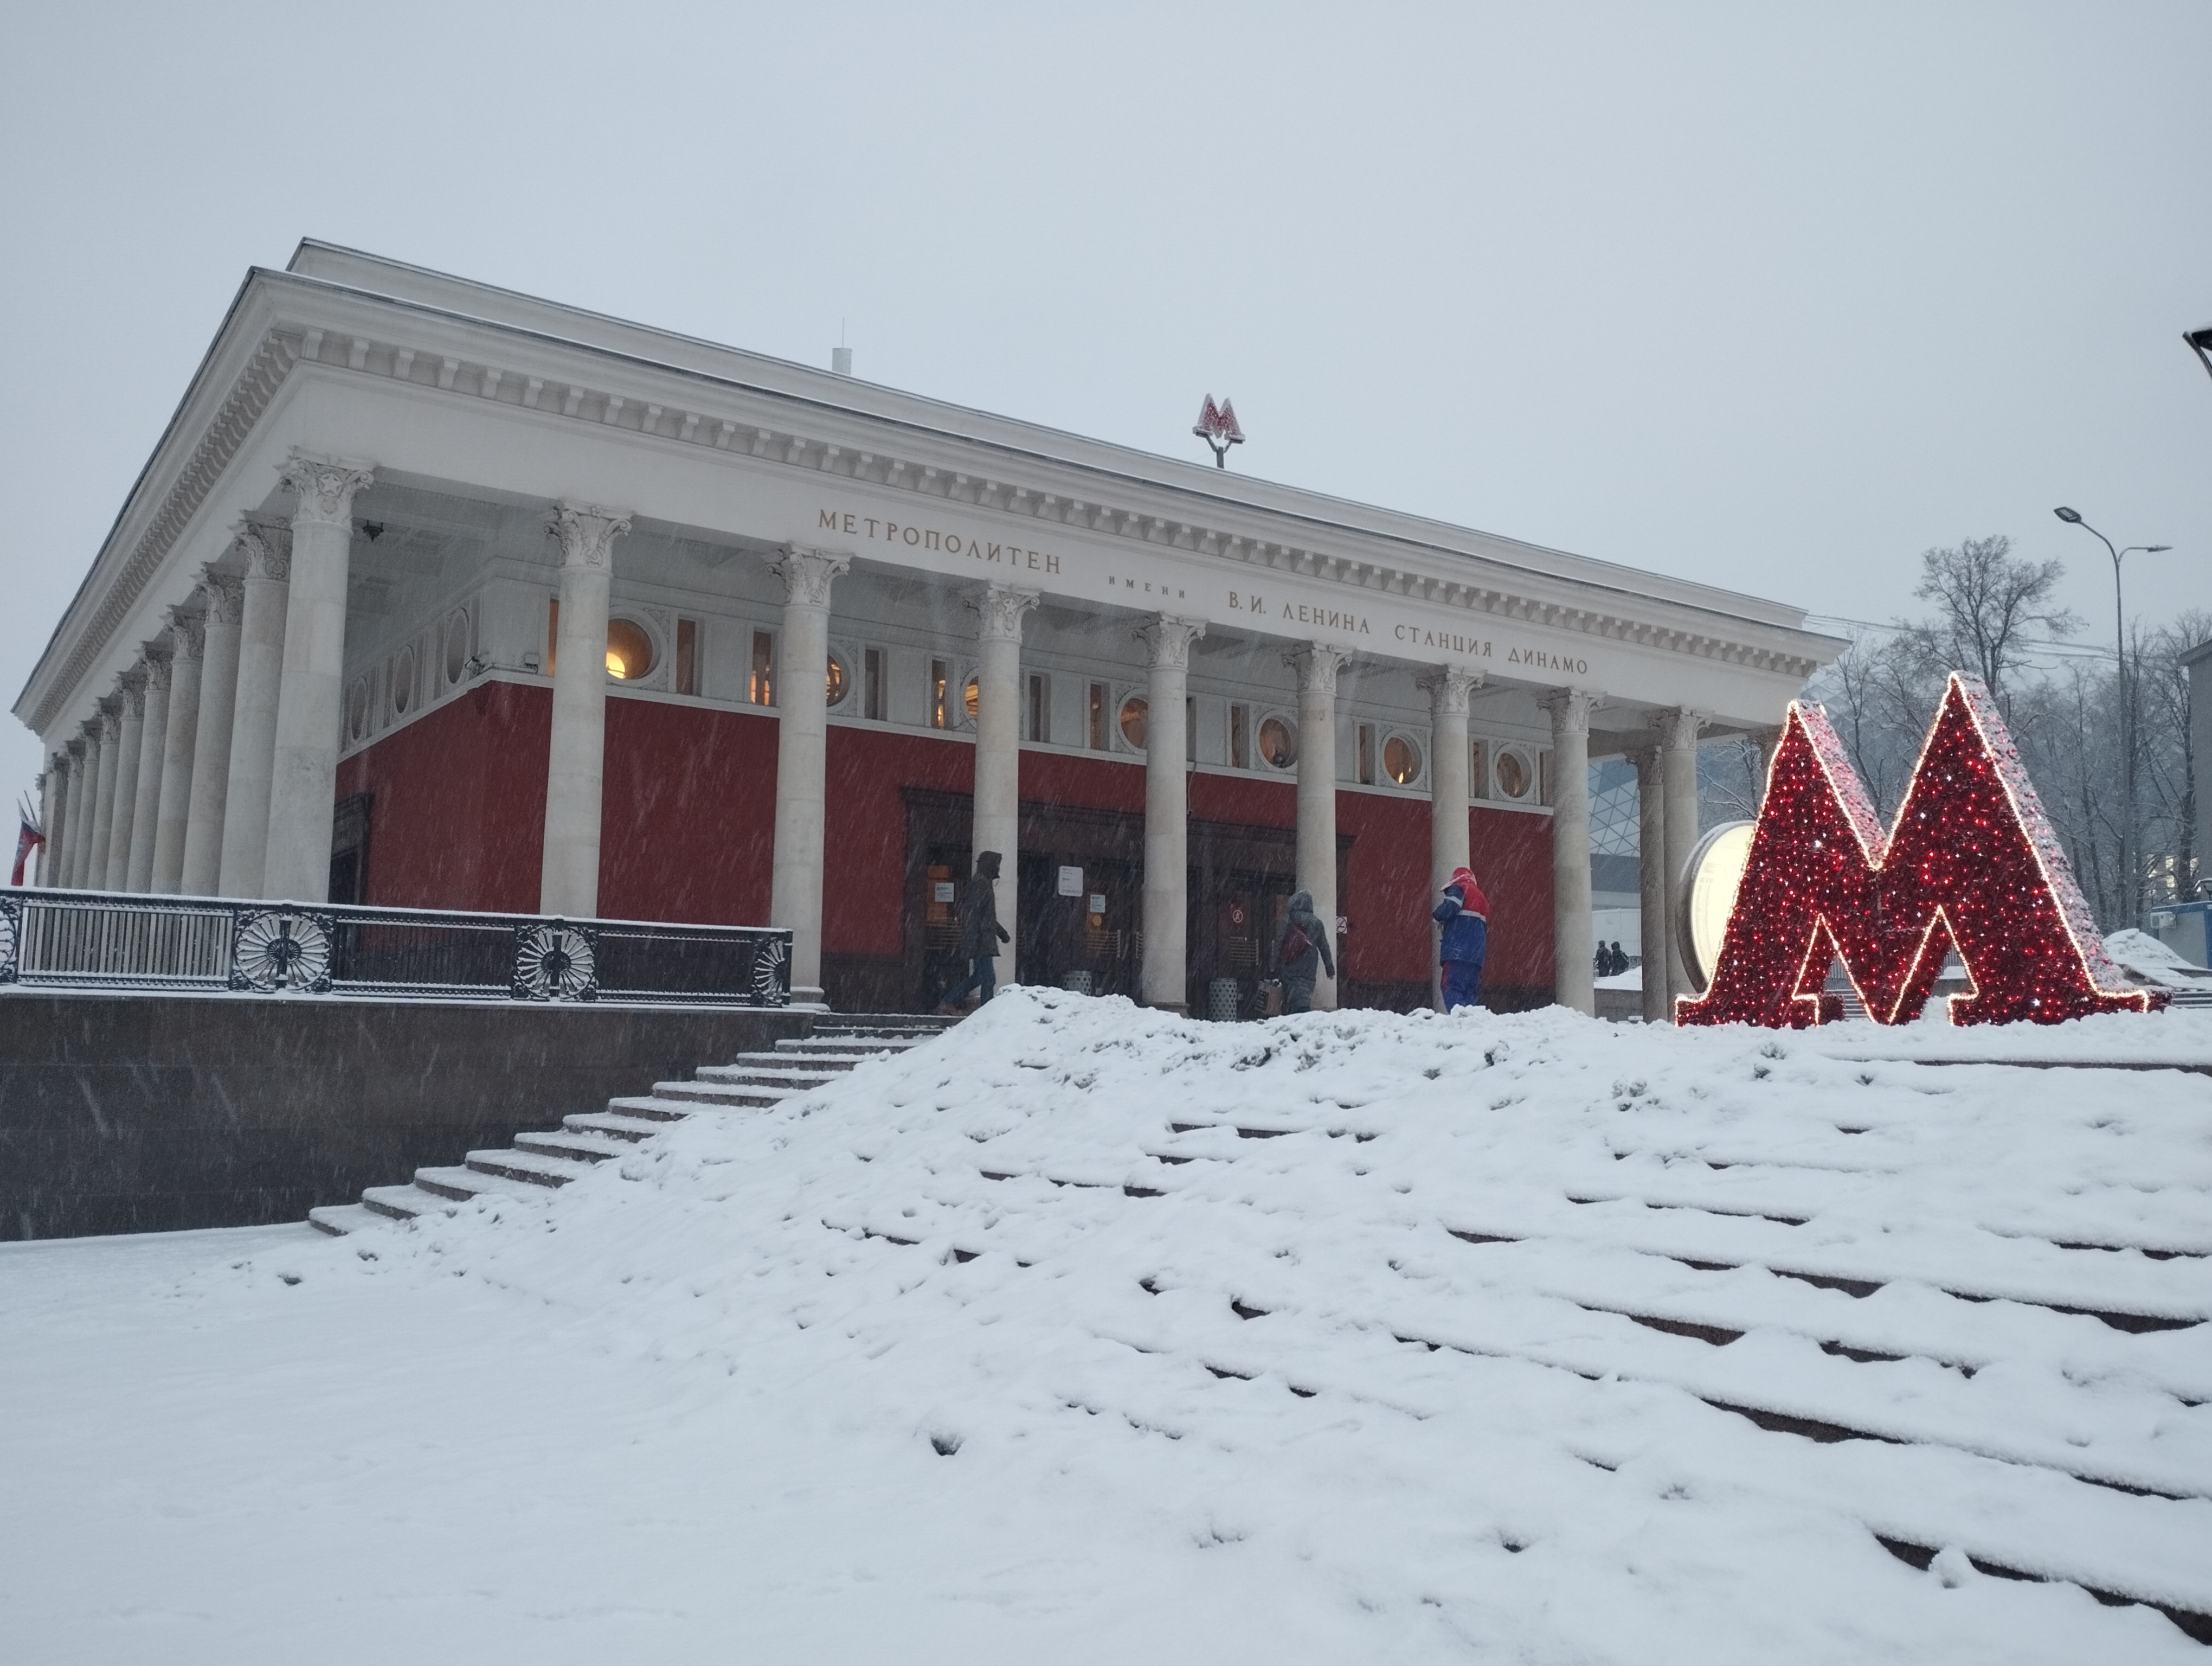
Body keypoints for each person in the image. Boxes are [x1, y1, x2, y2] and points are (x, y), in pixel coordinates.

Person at [939, 850, 1009, 1011]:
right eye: (996, 865)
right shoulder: (981, 884)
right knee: (988, 979)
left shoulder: (983, 883)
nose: (998, 869)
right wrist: (975, 939)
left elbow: (985, 916)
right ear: (988, 866)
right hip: (980, 940)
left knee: (979, 977)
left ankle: (948, 1001)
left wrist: (1001, 933)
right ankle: (986, 1012)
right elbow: (973, 914)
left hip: (981, 939)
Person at [1432, 866, 1488, 1012]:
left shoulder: (1460, 888)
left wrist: (1437, 915)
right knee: (1469, 992)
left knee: (1451, 986)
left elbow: (1449, 907)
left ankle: (1460, 1019)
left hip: (1457, 951)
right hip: (1476, 957)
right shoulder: (1482, 899)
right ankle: (1470, 1020)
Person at [1273, 889, 1335, 1014]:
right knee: (1305, 989)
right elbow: (1324, 947)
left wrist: (1274, 964)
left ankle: (1300, 1013)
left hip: (1291, 961)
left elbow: (1279, 941)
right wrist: (1330, 968)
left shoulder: (1289, 919)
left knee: (1293, 990)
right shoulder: (1317, 922)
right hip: (1310, 965)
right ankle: (1303, 1012)